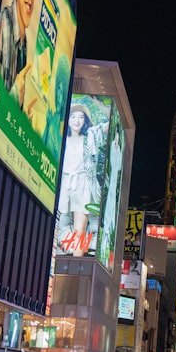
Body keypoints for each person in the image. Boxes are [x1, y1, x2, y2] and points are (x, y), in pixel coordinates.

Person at [59, 103, 107, 256]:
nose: (76, 121)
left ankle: (75, 263)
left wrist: (98, 102)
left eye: (80, 117)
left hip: (83, 184)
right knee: (60, 224)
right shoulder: (60, 136)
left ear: (85, 120)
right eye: (73, 117)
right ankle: (58, 259)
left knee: (80, 230)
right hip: (63, 183)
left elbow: (109, 123)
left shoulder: (91, 135)